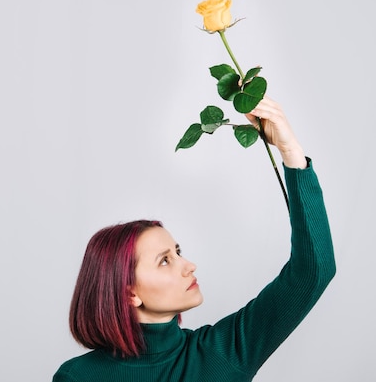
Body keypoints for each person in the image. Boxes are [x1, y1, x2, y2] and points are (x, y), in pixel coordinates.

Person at [53, 97, 336, 382]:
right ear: (129, 293)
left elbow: (313, 271)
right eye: (165, 260)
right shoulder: (78, 376)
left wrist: (291, 152)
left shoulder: (223, 354)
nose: (189, 265)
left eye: (177, 252)